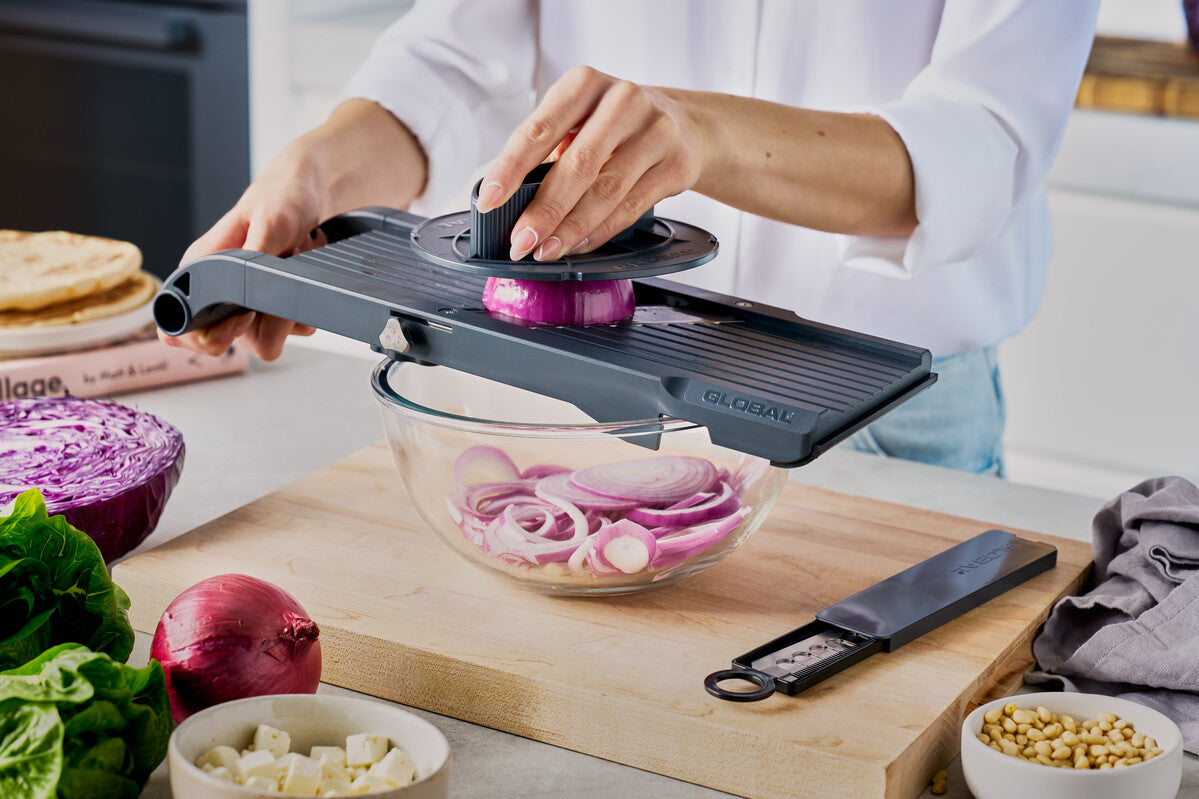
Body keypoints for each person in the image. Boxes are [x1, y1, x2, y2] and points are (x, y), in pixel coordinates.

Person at [162, 0, 1101, 476]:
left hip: (880, 408)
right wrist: (314, 173)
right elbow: (451, 57)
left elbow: (984, 141)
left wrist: (710, 135)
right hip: (580, 381)